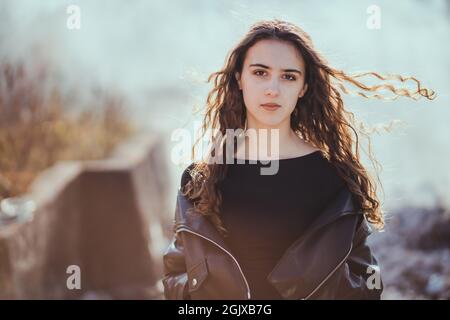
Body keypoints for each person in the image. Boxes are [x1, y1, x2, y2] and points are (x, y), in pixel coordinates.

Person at [162, 19, 434, 300]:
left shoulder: (333, 179)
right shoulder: (202, 178)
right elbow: (176, 272)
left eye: (289, 76)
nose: (273, 89)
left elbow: (365, 283)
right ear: (239, 79)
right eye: (260, 72)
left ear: (304, 87)